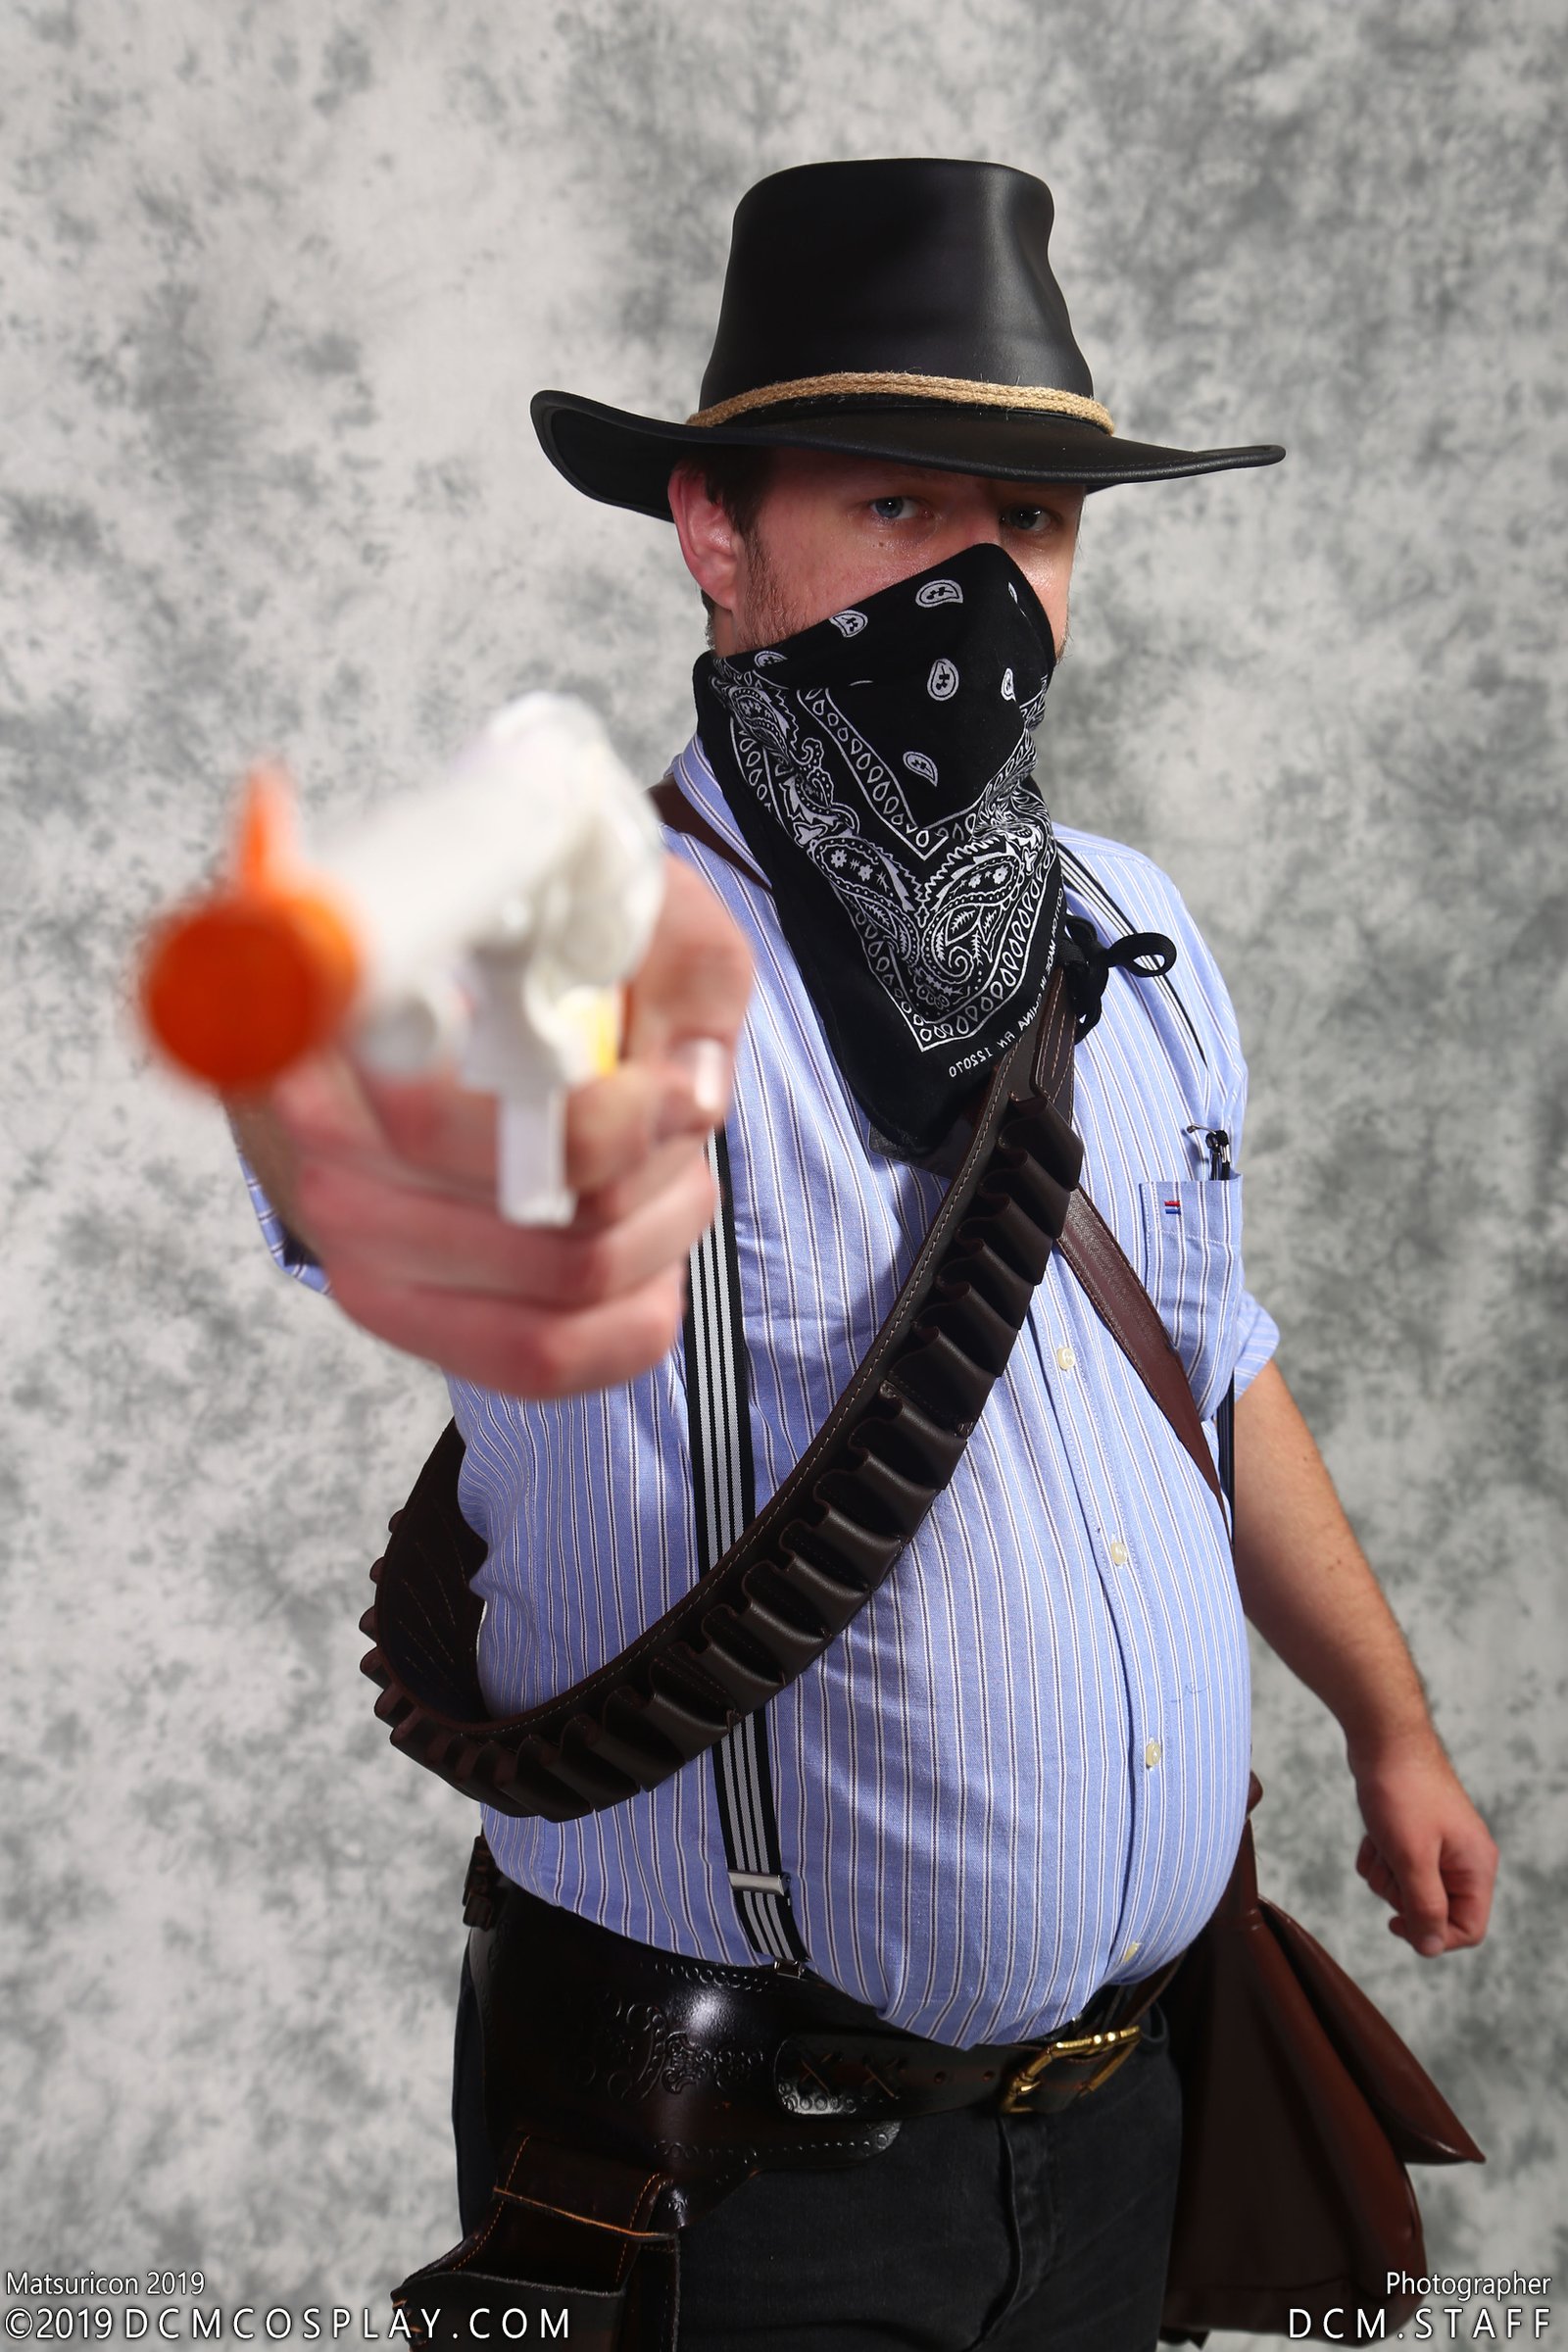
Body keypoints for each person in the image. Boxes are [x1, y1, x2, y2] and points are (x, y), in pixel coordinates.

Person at [228, 160, 1497, 2351]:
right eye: (899, 510)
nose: (982, 587)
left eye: (1031, 524)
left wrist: (1386, 1723)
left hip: (1123, 2110)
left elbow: (1212, 1364)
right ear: (714, 531)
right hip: (725, 2162)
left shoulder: (1136, 930)